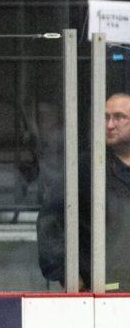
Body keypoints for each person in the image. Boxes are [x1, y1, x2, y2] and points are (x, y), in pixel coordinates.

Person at [37, 93, 130, 292]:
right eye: (105, 117)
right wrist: (64, 272)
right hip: (104, 291)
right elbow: (50, 219)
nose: (110, 125)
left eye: (119, 117)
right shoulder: (86, 169)